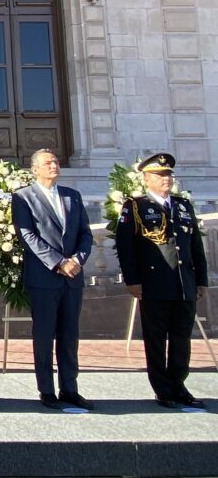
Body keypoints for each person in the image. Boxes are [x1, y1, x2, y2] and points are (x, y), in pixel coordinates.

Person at [115, 153, 208, 409]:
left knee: (181, 338)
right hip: (154, 283)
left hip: (183, 283)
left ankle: (178, 385)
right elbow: (126, 247)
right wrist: (132, 280)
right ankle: (162, 388)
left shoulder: (182, 205)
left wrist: (201, 279)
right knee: (156, 339)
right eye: (160, 175)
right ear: (147, 179)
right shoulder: (135, 206)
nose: (166, 179)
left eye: (168, 175)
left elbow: (195, 246)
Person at [11, 148, 94, 410]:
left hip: (72, 279)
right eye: (48, 163)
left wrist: (77, 260)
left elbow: (85, 234)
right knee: (44, 335)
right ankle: (46, 389)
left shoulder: (73, 196)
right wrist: (58, 262)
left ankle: (70, 387)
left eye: (56, 161)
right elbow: (27, 236)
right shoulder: (24, 197)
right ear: (35, 169)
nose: (54, 166)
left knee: (70, 335)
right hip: (44, 277)